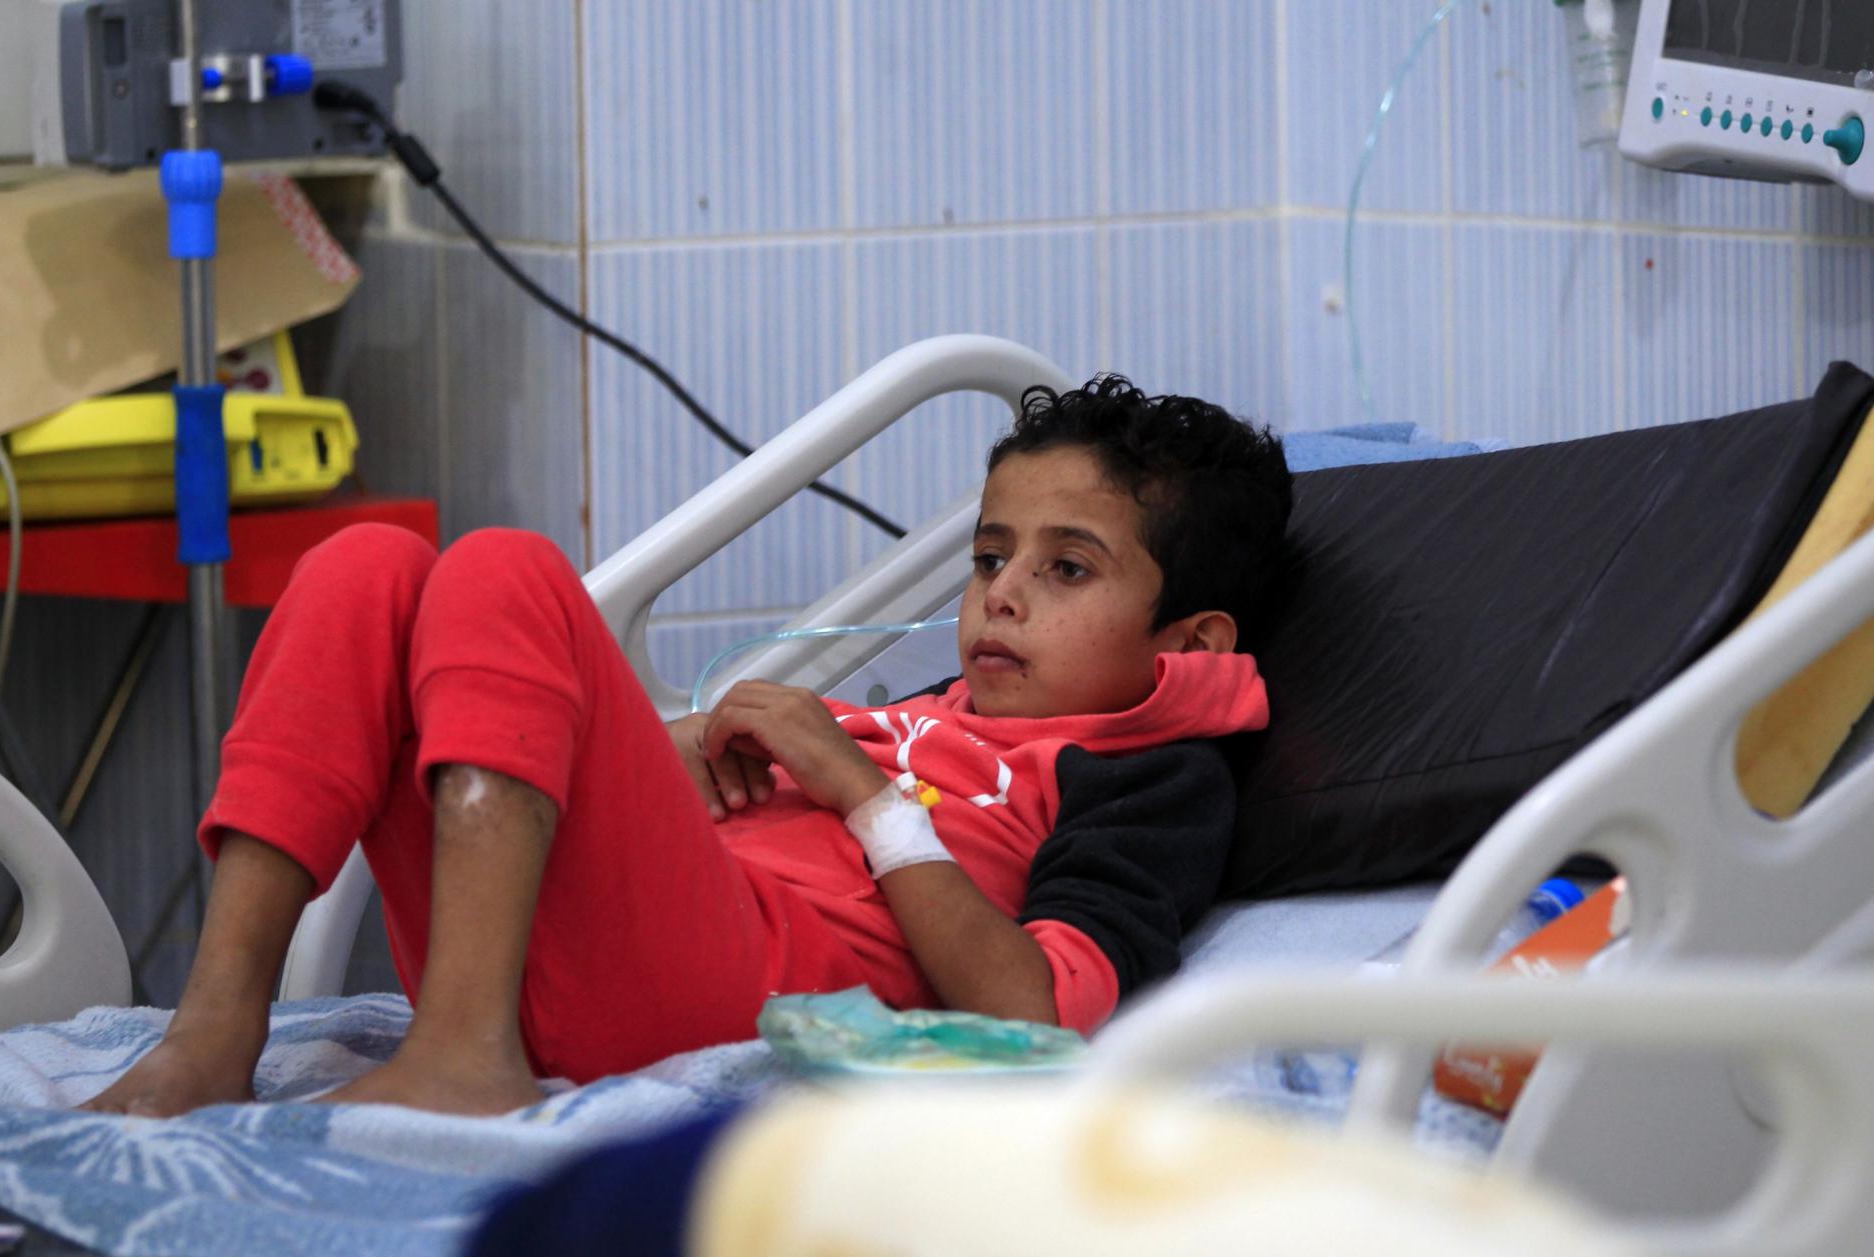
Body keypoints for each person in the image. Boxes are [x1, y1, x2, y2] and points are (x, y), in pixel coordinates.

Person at [82, 374, 1291, 1118]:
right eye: (989, 558)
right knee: (365, 569)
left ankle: (460, 1051)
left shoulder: (1146, 774)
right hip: (633, 946)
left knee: (509, 570)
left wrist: (863, 795)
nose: (1001, 596)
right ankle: (216, 1024)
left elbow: (1037, 1013)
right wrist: (666, 755)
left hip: (758, 989)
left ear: (1190, 637)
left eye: (1065, 568)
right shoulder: (947, 710)